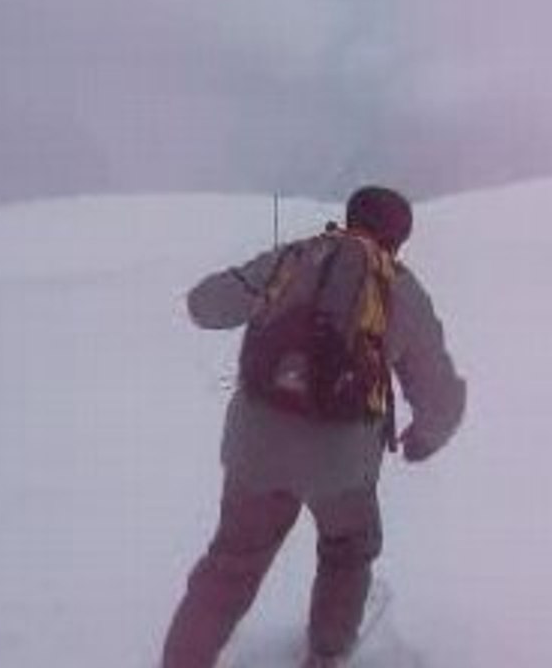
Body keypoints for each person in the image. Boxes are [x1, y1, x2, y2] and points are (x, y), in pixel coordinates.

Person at [162, 186, 466, 668]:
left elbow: (206, 305)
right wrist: (426, 438)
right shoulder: (401, 289)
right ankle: (325, 657)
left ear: (349, 218)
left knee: (232, 563)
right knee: (348, 551)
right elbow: (439, 391)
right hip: (341, 464)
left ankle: (183, 661)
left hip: (255, 446)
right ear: (398, 239)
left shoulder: (296, 257)